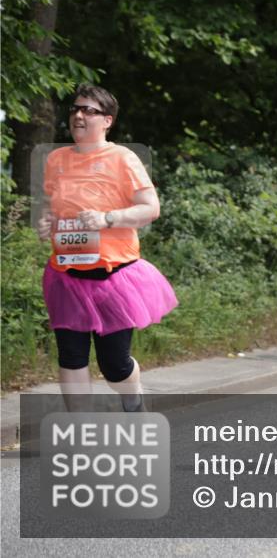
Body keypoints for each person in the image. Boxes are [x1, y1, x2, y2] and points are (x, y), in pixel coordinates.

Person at [35, 84, 177, 412]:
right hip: (66, 275)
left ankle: (132, 398)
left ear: (107, 121)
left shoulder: (122, 158)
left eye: (89, 110)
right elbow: (50, 204)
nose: (79, 115)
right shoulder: (56, 160)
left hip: (114, 277)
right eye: (74, 109)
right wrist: (46, 221)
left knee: (114, 365)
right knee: (71, 357)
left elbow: (149, 208)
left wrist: (106, 218)